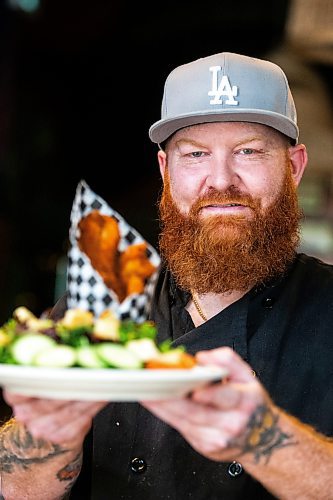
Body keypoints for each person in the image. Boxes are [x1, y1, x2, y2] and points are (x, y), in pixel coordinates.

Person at [2, 51, 333, 500]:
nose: (220, 180)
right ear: (165, 171)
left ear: (293, 168)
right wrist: (46, 435)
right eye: (195, 154)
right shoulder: (98, 310)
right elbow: (14, 489)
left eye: (248, 152)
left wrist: (264, 440)